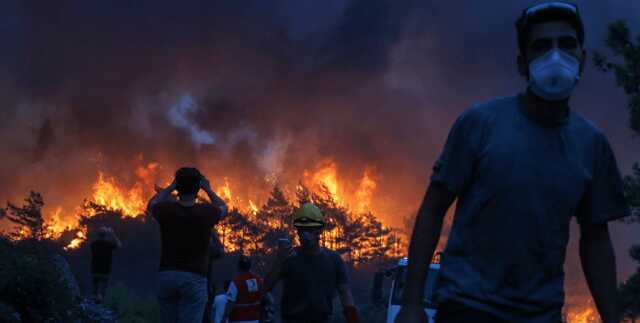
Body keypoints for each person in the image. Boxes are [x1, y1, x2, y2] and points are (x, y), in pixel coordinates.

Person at [396, 2, 631, 323]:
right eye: (541, 46)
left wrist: (612, 318)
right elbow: (434, 208)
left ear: (583, 58)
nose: (556, 55)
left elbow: (596, 239)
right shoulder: (479, 124)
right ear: (523, 64)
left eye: (567, 44)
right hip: (467, 308)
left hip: (541, 314)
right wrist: (412, 303)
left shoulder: (592, 145)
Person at [147, 167, 228, 323]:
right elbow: (224, 208)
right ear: (198, 188)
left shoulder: (167, 210)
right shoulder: (206, 212)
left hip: (167, 275)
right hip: (194, 278)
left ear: (178, 187)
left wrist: (171, 187)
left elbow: (152, 204)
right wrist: (208, 190)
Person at [264, 203, 361, 323]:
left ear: (320, 230)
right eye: (301, 229)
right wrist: (279, 261)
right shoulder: (288, 258)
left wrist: (353, 319)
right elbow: (265, 288)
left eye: (309, 229)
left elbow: (345, 293)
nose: (305, 234)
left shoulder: (334, 259)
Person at [224, 255, 265, 323]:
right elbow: (263, 297)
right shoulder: (258, 280)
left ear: (238, 267)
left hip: (238, 319)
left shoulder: (236, 282)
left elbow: (231, 303)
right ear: (250, 266)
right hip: (255, 319)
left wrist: (225, 316)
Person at [90, 226, 122, 303]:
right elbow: (119, 245)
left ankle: (94, 303)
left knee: (95, 288)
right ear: (106, 235)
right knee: (103, 288)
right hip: (105, 269)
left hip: (95, 269)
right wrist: (113, 234)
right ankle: (100, 303)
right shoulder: (109, 244)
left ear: (98, 235)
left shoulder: (93, 244)